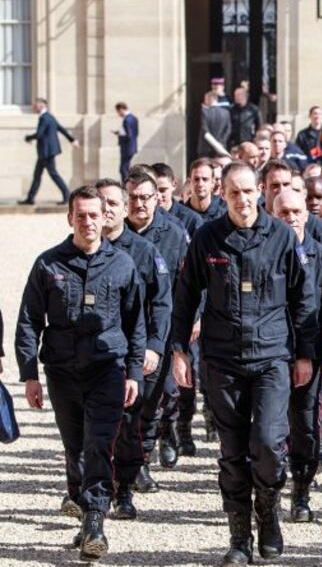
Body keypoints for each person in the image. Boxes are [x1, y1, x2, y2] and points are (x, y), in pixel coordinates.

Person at [170, 162, 318, 566]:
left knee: (269, 444)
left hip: (272, 358)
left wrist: (305, 354)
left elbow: (303, 299)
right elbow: (185, 296)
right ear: (223, 194)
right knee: (232, 451)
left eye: (248, 191)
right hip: (223, 359)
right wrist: (179, 349)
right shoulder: (208, 238)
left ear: (260, 192)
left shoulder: (283, 237)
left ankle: (268, 511)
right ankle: (239, 536)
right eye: (234, 193)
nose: (242, 200)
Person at [15, 186, 146, 561]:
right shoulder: (48, 264)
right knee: (75, 447)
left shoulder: (122, 264)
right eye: (81, 215)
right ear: (70, 218)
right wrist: (30, 375)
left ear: (106, 217)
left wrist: (134, 371)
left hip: (108, 368)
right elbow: (28, 320)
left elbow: (137, 322)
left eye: (95, 215)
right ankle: (80, 498)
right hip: (61, 371)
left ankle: (94, 521)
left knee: (99, 443)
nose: (88, 222)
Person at [94, 179, 171, 519]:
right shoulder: (81, 252)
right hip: (96, 355)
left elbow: (162, 303)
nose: (106, 209)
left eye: (112, 203)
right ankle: (91, 492)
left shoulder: (144, 252)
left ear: (124, 209)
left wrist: (154, 347)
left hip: (135, 354)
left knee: (129, 424)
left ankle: (123, 488)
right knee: (95, 427)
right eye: (100, 204)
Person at [271, 189, 322, 523]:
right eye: (283, 213)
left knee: (304, 426)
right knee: (268, 429)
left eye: (296, 212)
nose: (290, 218)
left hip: (309, 354)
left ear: (306, 215)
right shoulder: (262, 253)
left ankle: (301, 490)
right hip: (267, 352)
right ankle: (268, 491)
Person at [124, 171, 190, 484]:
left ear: (157, 199)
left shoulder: (175, 234)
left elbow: (189, 284)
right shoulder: (113, 236)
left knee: (153, 399)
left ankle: (142, 459)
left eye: (145, 197)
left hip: (161, 329)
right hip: (122, 332)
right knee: (125, 401)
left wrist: (193, 320)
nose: (139, 204)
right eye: (133, 197)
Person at [20, 97, 77, 205]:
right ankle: (30, 198)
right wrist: (72, 140)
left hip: (46, 152)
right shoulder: (50, 117)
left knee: (53, 174)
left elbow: (39, 134)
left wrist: (28, 137)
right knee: (37, 175)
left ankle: (67, 194)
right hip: (46, 152)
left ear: (42, 105)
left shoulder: (44, 118)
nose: (34, 107)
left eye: (36, 105)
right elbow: (61, 129)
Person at [199, 90, 232, 158]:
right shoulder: (226, 112)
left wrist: (213, 142)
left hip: (206, 147)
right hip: (221, 146)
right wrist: (221, 141)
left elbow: (204, 129)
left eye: (205, 99)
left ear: (209, 99)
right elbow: (228, 129)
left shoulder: (205, 112)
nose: (204, 101)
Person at [113, 102, 139, 183]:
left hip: (126, 148)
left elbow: (129, 135)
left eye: (118, 111)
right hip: (132, 147)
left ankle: (127, 186)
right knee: (126, 168)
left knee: (123, 169)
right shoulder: (134, 118)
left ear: (121, 109)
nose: (118, 114)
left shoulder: (126, 120)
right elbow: (135, 133)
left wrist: (119, 134)